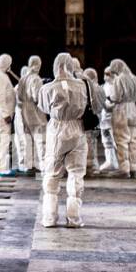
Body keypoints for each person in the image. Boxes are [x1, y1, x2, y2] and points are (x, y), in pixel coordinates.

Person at [37, 53, 90, 228]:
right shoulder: (82, 86)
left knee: (52, 173)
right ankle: (74, 219)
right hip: (77, 130)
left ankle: (50, 218)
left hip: (57, 130)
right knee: (76, 173)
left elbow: (43, 107)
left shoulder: (47, 88)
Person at [107, 59, 136, 177]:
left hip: (121, 109)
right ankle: (134, 168)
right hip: (134, 110)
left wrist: (109, 98)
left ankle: (124, 169)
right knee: (133, 141)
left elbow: (116, 96)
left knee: (121, 140)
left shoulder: (119, 79)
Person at [14, 55, 47, 176]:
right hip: (34, 111)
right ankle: (43, 166)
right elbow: (37, 97)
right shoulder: (35, 79)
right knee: (41, 139)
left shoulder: (23, 79)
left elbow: (18, 97)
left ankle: (29, 166)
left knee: (28, 140)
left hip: (24, 112)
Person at [81, 67, 111, 175]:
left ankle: (87, 166)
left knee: (86, 144)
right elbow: (104, 105)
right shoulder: (100, 89)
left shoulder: (84, 88)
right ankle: (93, 166)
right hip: (96, 121)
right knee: (93, 143)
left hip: (86, 120)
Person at [97, 67, 121, 173]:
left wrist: (107, 104)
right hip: (104, 118)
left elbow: (116, 103)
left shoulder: (117, 87)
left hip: (114, 118)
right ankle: (110, 161)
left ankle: (124, 162)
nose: (106, 76)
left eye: (108, 74)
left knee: (117, 142)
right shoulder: (105, 86)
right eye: (105, 73)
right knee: (106, 141)